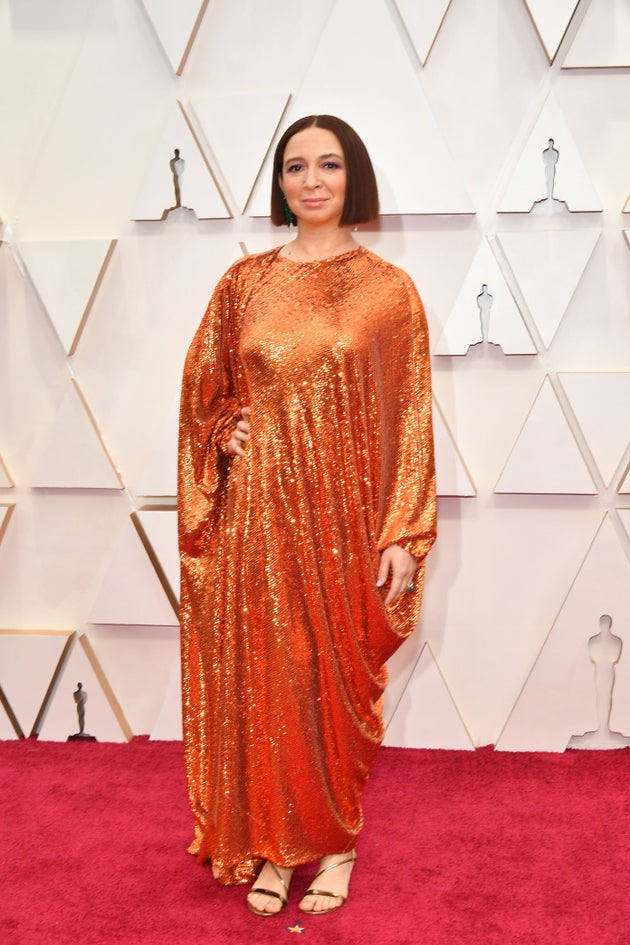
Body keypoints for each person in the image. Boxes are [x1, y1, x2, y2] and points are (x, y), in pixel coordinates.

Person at [177, 114, 436, 918]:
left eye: (328, 164)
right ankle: (273, 841)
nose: (312, 180)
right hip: (258, 518)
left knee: (330, 681)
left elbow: (411, 417)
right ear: (280, 181)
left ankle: (335, 842)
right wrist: (226, 429)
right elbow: (202, 393)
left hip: (346, 516)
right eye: (296, 166)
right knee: (268, 676)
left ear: (352, 176)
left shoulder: (388, 290)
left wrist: (405, 530)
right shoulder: (243, 282)